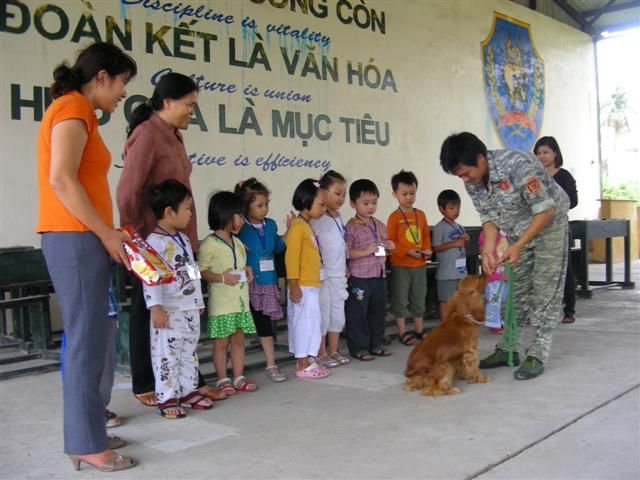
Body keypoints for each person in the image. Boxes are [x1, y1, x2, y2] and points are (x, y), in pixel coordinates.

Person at [37, 42, 137, 472]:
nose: (121, 94)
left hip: (83, 237)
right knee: (84, 341)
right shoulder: (73, 109)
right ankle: (84, 443)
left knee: (94, 338)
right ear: (101, 77)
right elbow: (61, 180)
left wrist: (108, 234)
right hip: (74, 237)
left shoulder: (80, 111)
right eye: (121, 84)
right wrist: (107, 234)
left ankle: (89, 430)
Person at [117, 72, 225, 405]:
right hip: (153, 243)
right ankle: (145, 383)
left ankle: (190, 380)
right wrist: (136, 243)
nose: (192, 112)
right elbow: (127, 190)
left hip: (179, 241)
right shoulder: (147, 134)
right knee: (147, 310)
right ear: (167, 102)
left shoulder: (174, 135)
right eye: (188, 105)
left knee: (186, 313)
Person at [439, 132, 569, 380]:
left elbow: (545, 210)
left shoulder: (519, 165)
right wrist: (487, 249)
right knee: (516, 290)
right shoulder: (472, 181)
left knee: (545, 290)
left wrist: (519, 244)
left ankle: (537, 353)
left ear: (480, 158)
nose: (465, 179)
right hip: (517, 231)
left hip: (549, 226)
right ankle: (508, 348)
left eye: (466, 173)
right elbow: (488, 217)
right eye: (460, 176)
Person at [143, 180, 213, 418]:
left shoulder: (182, 238)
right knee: (167, 354)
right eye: (187, 208)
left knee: (188, 351)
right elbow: (150, 278)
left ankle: (188, 390)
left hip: (189, 307)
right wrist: (156, 307)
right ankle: (167, 396)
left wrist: (198, 299)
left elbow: (192, 269)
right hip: (169, 310)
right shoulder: (154, 243)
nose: (190, 214)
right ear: (169, 212)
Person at [199, 191, 258, 394]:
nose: (242, 220)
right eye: (239, 215)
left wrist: (248, 270)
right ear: (225, 214)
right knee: (222, 343)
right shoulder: (209, 244)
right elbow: (201, 271)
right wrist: (221, 278)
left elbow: (242, 265)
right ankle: (223, 379)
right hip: (222, 304)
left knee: (239, 340)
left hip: (240, 301)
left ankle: (239, 376)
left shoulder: (238, 243)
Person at [236, 178, 288, 382]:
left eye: (266, 204)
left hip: (267, 281)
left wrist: (289, 232)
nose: (264, 209)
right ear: (246, 206)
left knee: (265, 324)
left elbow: (277, 247)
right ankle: (236, 370)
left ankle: (271, 363)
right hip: (246, 282)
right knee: (240, 326)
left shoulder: (271, 225)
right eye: (259, 205)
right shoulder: (240, 228)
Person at [344, 179, 395, 361]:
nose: (370, 207)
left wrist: (390, 246)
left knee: (378, 311)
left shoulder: (379, 225)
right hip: (359, 277)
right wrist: (365, 251)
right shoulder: (350, 227)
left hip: (378, 276)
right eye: (365, 203)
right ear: (353, 204)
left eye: (374, 202)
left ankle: (376, 344)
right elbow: (346, 252)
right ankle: (359, 348)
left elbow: (385, 247)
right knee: (357, 313)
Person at [285, 179, 331, 378]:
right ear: (306, 202)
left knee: (312, 322)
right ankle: (302, 364)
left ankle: (306, 359)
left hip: (311, 284)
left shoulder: (306, 226)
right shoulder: (298, 227)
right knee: (305, 323)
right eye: (321, 204)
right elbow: (291, 258)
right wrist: (294, 284)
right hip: (303, 286)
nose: (323, 209)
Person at [535, 136, 578, 324]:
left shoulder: (564, 176)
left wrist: (553, 206)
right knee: (539, 271)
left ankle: (569, 309)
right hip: (539, 229)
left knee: (564, 269)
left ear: (555, 153)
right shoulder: (535, 178)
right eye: (538, 153)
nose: (542, 156)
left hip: (559, 228)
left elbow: (573, 200)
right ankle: (540, 310)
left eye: (545, 152)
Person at [386, 170, 432, 346]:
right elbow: (391, 242)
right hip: (401, 265)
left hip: (419, 265)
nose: (409, 198)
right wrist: (406, 251)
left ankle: (420, 330)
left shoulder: (420, 215)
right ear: (395, 194)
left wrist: (427, 250)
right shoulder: (394, 217)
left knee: (419, 297)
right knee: (401, 299)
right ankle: (403, 332)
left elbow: (426, 236)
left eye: (412, 193)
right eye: (404, 194)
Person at [311, 170, 351, 367]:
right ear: (324, 192)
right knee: (323, 314)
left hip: (339, 274)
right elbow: (314, 246)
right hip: (324, 276)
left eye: (344, 194)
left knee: (338, 314)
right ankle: (321, 352)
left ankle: (334, 350)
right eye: (337, 193)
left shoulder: (338, 216)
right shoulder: (317, 218)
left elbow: (340, 243)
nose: (341, 198)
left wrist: (345, 265)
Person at [432, 190, 469, 321]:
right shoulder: (439, 227)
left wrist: (465, 240)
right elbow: (436, 247)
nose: (456, 211)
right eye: (451, 208)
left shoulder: (460, 226)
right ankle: (446, 327)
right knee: (446, 300)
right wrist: (454, 243)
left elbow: (463, 248)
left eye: (458, 207)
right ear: (442, 209)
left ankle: (459, 325)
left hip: (461, 271)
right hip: (447, 273)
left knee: (461, 300)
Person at [478, 229, 510, 334]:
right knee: (494, 298)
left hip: (506, 273)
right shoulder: (488, 232)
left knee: (505, 298)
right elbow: (483, 250)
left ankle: (501, 320)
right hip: (494, 273)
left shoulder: (508, 233)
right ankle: (493, 323)